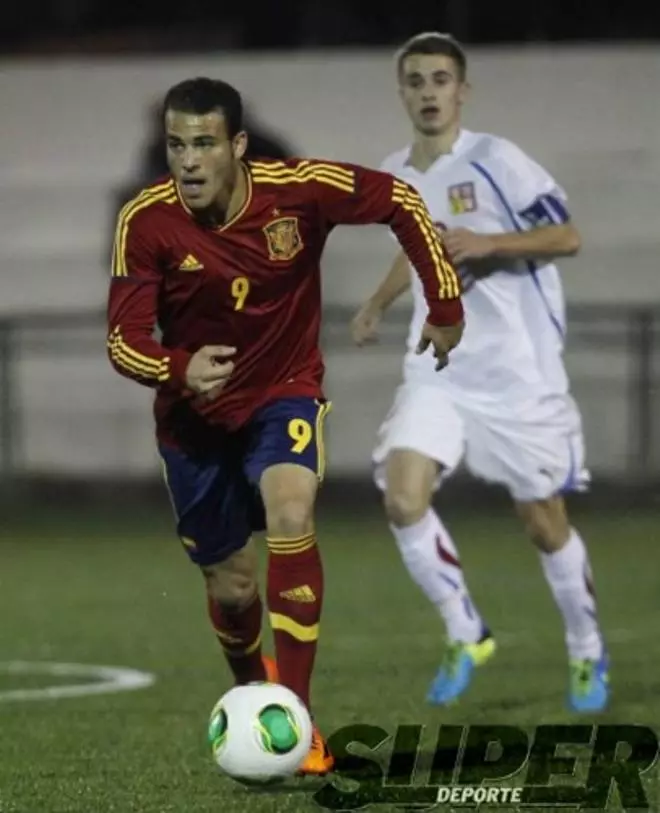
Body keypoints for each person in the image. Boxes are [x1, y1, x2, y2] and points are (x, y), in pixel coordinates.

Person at [106, 76, 464, 775]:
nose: (188, 161)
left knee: (292, 511)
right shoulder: (144, 220)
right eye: (177, 144)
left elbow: (402, 200)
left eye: (204, 143)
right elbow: (122, 340)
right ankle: (252, 689)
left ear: (236, 145)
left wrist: (444, 303)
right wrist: (177, 366)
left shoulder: (299, 189)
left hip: (283, 391)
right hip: (193, 422)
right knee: (233, 588)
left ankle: (295, 722)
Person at [351, 32, 609, 713]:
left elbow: (568, 236)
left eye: (441, 79)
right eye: (416, 80)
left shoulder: (499, 161)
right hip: (438, 365)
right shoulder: (394, 176)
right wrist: (377, 303)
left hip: (517, 375)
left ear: (462, 90)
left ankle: (587, 650)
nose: (429, 91)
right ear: (401, 91)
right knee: (403, 498)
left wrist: (491, 244)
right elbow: (415, 253)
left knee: (543, 522)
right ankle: (466, 630)